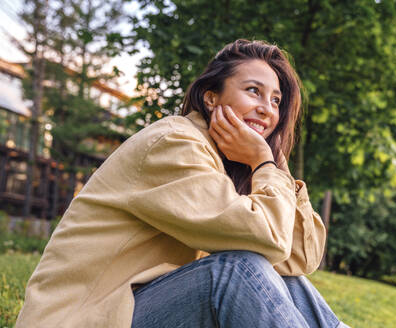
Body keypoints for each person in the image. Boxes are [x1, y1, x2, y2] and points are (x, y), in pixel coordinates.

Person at [16, 39, 350, 328]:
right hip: (82, 320)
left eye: (276, 100)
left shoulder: (228, 165)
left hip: (130, 311)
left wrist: (271, 163)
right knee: (236, 270)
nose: (267, 109)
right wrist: (264, 162)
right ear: (211, 99)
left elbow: (299, 258)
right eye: (253, 91)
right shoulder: (173, 144)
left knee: (284, 280)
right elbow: (270, 239)